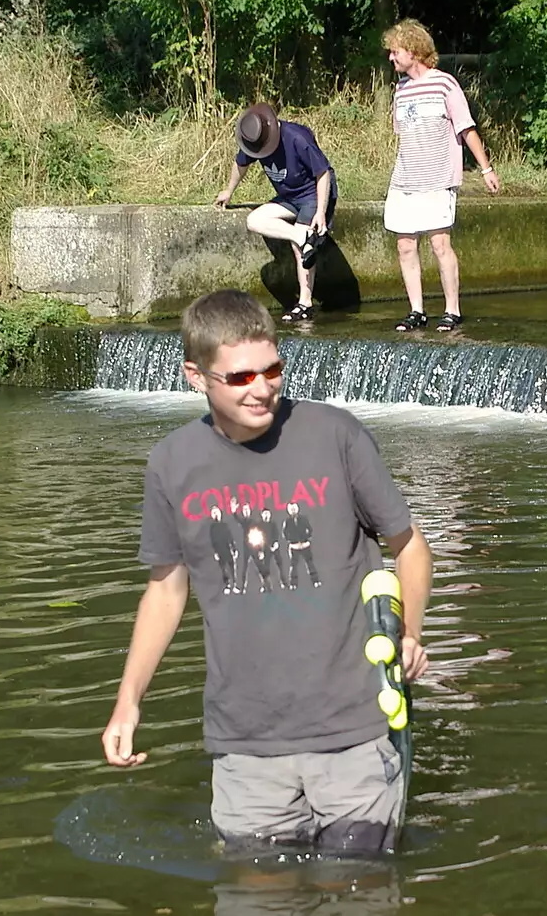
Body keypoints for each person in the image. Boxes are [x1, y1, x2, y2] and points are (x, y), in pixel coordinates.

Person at [100, 289, 434, 856]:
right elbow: (164, 591)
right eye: (240, 377)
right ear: (195, 376)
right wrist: (129, 700)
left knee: (361, 889)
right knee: (257, 892)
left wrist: (410, 633)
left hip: (353, 729)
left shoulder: (335, 435)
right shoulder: (172, 464)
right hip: (245, 741)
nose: (261, 388)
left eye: (272, 369)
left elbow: (410, 547)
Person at [381, 19, 502, 333]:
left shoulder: (445, 84)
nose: (391, 58)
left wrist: (486, 168)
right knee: (405, 246)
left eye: (395, 52)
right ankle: (417, 311)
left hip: (437, 179)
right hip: (405, 179)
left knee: (440, 244)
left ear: (414, 51)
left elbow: (466, 127)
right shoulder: (401, 90)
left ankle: (452, 310)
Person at [215, 105, 338, 322]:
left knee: (299, 246)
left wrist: (320, 211)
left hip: (313, 194)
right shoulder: (255, 139)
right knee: (254, 220)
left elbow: (323, 173)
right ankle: (303, 237)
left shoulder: (297, 138)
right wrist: (229, 191)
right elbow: (240, 164)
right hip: (289, 198)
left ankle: (305, 304)